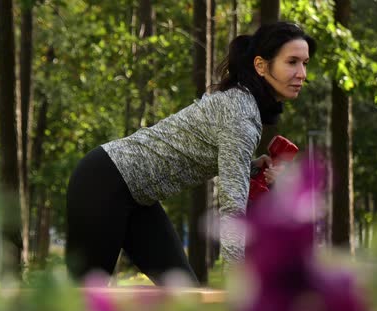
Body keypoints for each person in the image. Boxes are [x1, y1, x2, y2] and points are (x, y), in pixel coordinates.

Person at [65, 21, 316, 285]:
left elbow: (209, 155)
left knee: (185, 294)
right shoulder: (241, 114)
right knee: (82, 306)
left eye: (305, 63)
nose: (302, 73)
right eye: (292, 62)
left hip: (137, 197)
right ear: (261, 66)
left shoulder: (243, 105)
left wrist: (250, 167)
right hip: (104, 182)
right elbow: (233, 208)